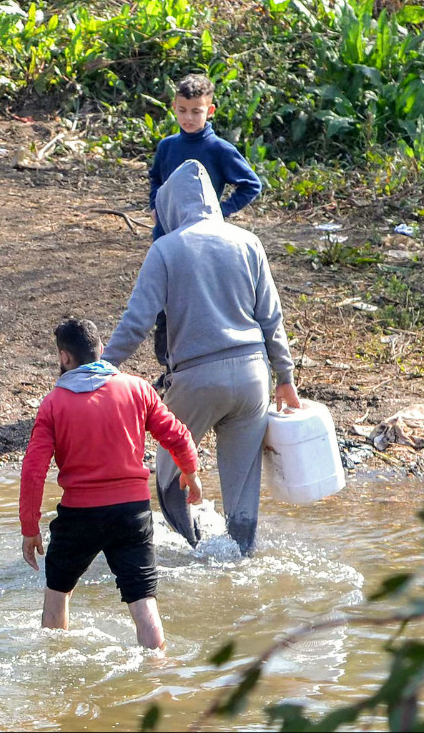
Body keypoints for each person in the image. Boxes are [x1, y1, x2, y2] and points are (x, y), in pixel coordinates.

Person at [103, 159, 301, 556]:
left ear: (173, 205)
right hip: (252, 379)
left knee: (169, 473)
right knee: (242, 486)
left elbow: (137, 321)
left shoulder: (165, 250)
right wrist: (285, 377)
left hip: (195, 380)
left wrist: (103, 367)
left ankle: (192, 549)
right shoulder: (248, 242)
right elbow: (271, 318)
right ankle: (239, 557)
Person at [20, 319, 201, 650]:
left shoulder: (53, 404)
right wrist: (190, 472)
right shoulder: (137, 389)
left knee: (57, 591)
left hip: (79, 516)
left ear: (64, 358)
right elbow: (175, 434)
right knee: (143, 600)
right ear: (101, 351)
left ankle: (55, 667)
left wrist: (29, 526)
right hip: (131, 514)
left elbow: (33, 470)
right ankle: (158, 673)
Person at [148, 74, 264, 371]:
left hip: (204, 242)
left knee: (197, 304)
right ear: (173, 107)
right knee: (165, 306)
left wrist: (220, 213)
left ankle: (196, 365)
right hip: (166, 239)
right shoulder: (167, 147)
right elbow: (156, 180)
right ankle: (169, 368)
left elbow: (251, 184)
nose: (188, 117)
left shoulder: (219, 149)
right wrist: (154, 206)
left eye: (196, 111)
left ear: (209, 111)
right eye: (182, 110)